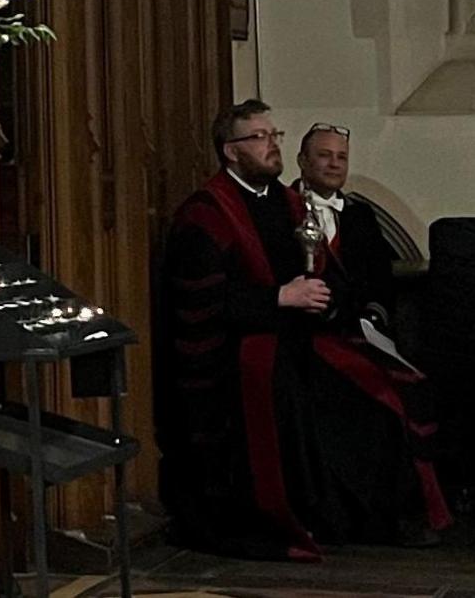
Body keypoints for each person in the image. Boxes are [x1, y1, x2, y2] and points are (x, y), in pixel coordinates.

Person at [158, 99, 449, 561]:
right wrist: (278, 298)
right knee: (296, 399)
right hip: (239, 350)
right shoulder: (206, 213)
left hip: (301, 336)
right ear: (231, 151)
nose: (271, 146)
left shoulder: (288, 203)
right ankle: (317, 517)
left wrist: (325, 302)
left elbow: (328, 273)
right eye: (259, 138)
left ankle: (379, 518)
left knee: (385, 392)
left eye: (274, 136)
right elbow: (199, 300)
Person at [293, 123, 397, 329]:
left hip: (357, 329)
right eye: (325, 155)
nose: (335, 164)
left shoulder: (361, 214)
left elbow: (381, 277)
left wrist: (373, 318)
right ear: (302, 160)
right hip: (302, 330)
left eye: (342, 157)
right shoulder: (281, 209)